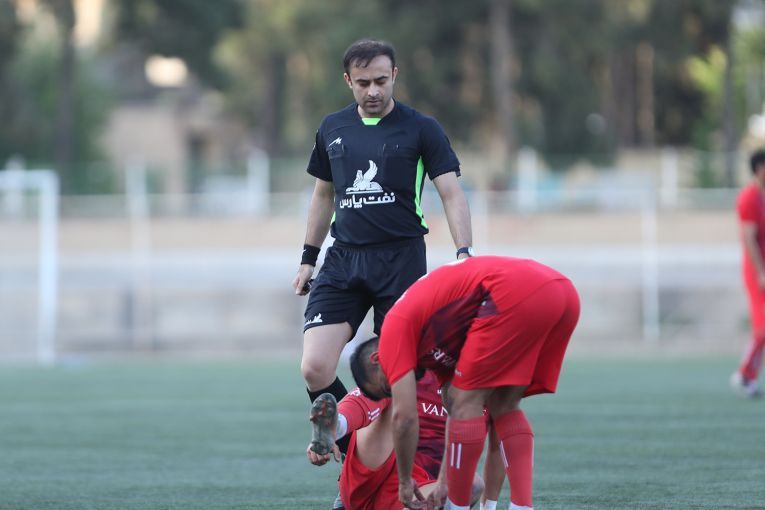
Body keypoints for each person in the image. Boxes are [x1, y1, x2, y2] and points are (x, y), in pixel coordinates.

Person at [292, 36, 473, 456]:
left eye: (380, 81)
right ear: (348, 81)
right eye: (362, 83)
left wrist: (464, 253)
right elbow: (323, 195)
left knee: (396, 375)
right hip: (343, 259)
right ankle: (349, 450)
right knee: (314, 367)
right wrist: (307, 258)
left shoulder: (422, 128)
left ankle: (377, 457)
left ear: (394, 75)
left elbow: (451, 193)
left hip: (400, 260)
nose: (372, 91)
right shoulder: (332, 128)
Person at [349, 256, 580, 510]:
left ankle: (457, 507)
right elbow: (454, 411)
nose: (396, 390)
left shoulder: (395, 327)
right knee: (503, 405)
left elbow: (405, 419)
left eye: (387, 385)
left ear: (376, 358)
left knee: (467, 403)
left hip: (512, 293)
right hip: (561, 293)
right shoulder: (431, 347)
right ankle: (522, 507)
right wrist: (444, 481)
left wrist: (404, 482)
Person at [306, 370, 483, 510]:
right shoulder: (413, 359)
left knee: (473, 484)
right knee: (391, 380)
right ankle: (337, 425)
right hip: (373, 468)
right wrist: (328, 437)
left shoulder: (480, 385)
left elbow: (496, 447)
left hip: (416, 491)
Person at [732, 148, 765, 398]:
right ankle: (744, 374)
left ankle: (747, 374)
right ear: (759, 168)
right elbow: (749, 238)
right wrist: (761, 272)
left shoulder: (762, 197)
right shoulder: (749, 198)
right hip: (757, 271)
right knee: (762, 328)